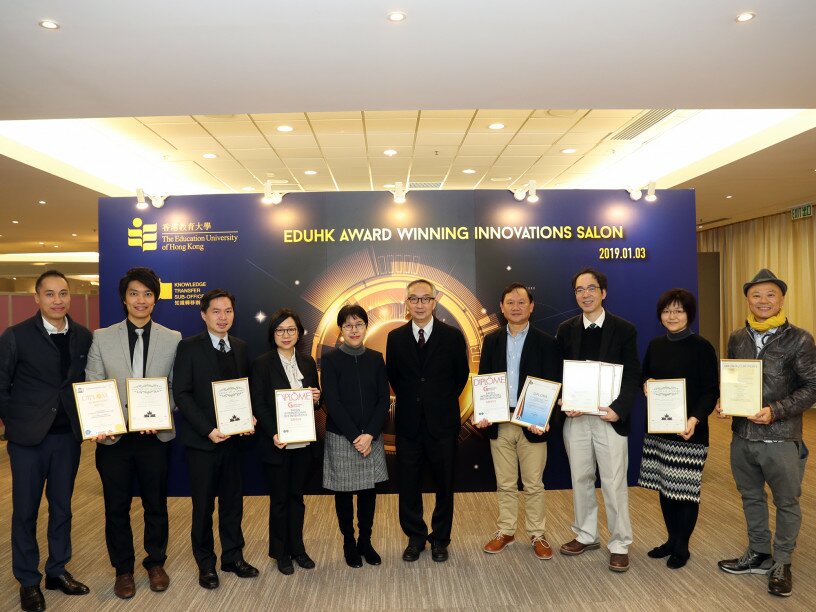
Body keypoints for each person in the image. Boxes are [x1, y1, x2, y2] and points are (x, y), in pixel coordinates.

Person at [716, 269, 816, 598]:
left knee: (787, 502)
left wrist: (775, 410)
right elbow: (735, 379)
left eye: (770, 295)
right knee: (751, 497)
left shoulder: (800, 339)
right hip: (742, 436)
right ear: (748, 299)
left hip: (782, 438)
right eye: (756, 295)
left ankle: (782, 562)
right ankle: (759, 553)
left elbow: (812, 387)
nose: (763, 301)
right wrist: (724, 399)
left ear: (781, 299)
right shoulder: (737, 337)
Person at [85, 267, 181, 599]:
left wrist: (162, 412)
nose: (141, 300)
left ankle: (155, 562)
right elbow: (93, 383)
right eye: (134, 294)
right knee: (116, 506)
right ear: (124, 298)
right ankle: (123, 570)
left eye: (148, 294)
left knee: (156, 504)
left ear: (155, 299)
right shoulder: (102, 337)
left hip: (155, 438)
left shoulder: (172, 338)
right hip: (114, 439)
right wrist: (98, 421)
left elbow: (175, 387)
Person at [0, 270, 93, 612]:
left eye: (64, 293)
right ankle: (27, 580)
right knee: (25, 511)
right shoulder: (15, 335)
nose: (58, 300)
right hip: (27, 442)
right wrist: (17, 421)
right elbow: (1, 385)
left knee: (62, 507)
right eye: (50, 294)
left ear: (70, 297)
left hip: (66, 439)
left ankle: (57, 570)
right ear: (36, 298)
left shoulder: (83, 336)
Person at [172, 289, 259, 589]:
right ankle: (206, 563)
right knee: (204, 506)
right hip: (203, 442)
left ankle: (233, 557)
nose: (223, 317)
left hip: (234, 442)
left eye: (228, 311)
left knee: (233, 502)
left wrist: (250, 416)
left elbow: (243, 390)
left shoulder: (240, 346)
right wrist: (209, 429)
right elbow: (181, 393)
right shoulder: (188, 347)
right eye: (216, 312)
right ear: (204, 315)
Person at [556, 267, 640, 572]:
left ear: (603, 293)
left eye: (591, 289)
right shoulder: (566, 329)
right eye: (579, 290)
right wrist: (564, 400)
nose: (585, 295)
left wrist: (619, 407)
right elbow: (559, 373)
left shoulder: (624, 329)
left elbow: (632, 373)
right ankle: (586, 534)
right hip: (576, 418)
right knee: (580, 478)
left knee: (614, 481)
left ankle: (619, 543)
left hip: (609, 417)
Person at [473, 283, 561, 561]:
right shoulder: (492, 340)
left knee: (534, 483)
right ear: (502, 307)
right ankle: (506, 531)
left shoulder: (547, 342)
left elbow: (553, 383)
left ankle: (537, 533)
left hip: (532, 422)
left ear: (531, 306)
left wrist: (546, 417)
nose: (516, 307)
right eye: (510, 302)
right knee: (506, 482)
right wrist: (482, 411)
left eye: (521, 302)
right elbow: (485, 379)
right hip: (500, 420)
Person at [386, 278, 470, 563]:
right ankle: (415, 537)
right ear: (406, 302)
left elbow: (460, 377)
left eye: (425, 299)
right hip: (409, 424)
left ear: (435, 302)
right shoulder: (395, 338)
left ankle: (440, 539)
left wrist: (437, 401)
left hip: (443, 424)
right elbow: (394, 378)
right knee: (408, 484)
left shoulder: (453, 336)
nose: (419, 304)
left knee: (445, 484)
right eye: (414, 299)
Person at [637, 288, 718, 569]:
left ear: (689, 315)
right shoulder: (656, 345)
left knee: (685, 490)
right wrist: (646, 383)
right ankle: (671, 539)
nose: (672, 316)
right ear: (660, 315)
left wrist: (694, 419)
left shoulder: (703, 347)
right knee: (666, 487)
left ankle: (682, 547)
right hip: (660, 430)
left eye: (679, 311)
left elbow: (710, 391)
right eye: (667, 311)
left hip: (690, 431)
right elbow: (644, 374)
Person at [250, 308, 321, 575]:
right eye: (280, 330)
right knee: (279, 499)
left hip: (303, 443)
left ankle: (298, 549)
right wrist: (273, 433)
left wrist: (317, 397)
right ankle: (280, 553)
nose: (286, 335)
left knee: (297, 497)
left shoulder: (307, 362)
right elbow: (259, 404)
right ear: (273, 334)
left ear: (299, 332)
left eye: (291, 329)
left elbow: (315, 402)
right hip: (277, 443)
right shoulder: (262, 363)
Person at [321, 304, 390, 568]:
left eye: (358, 324)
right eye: (348, 325)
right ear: (340, 330)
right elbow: (333, 402)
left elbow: (384, 399)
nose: (353, 330)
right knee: (344, 493)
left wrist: (370, 434)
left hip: (370, 437)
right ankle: (349, 542)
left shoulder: (376, 358)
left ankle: (366, 541)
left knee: (368, 492)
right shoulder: (330, 360)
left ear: (365, 327)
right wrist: (355, 437)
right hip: (342, 437)